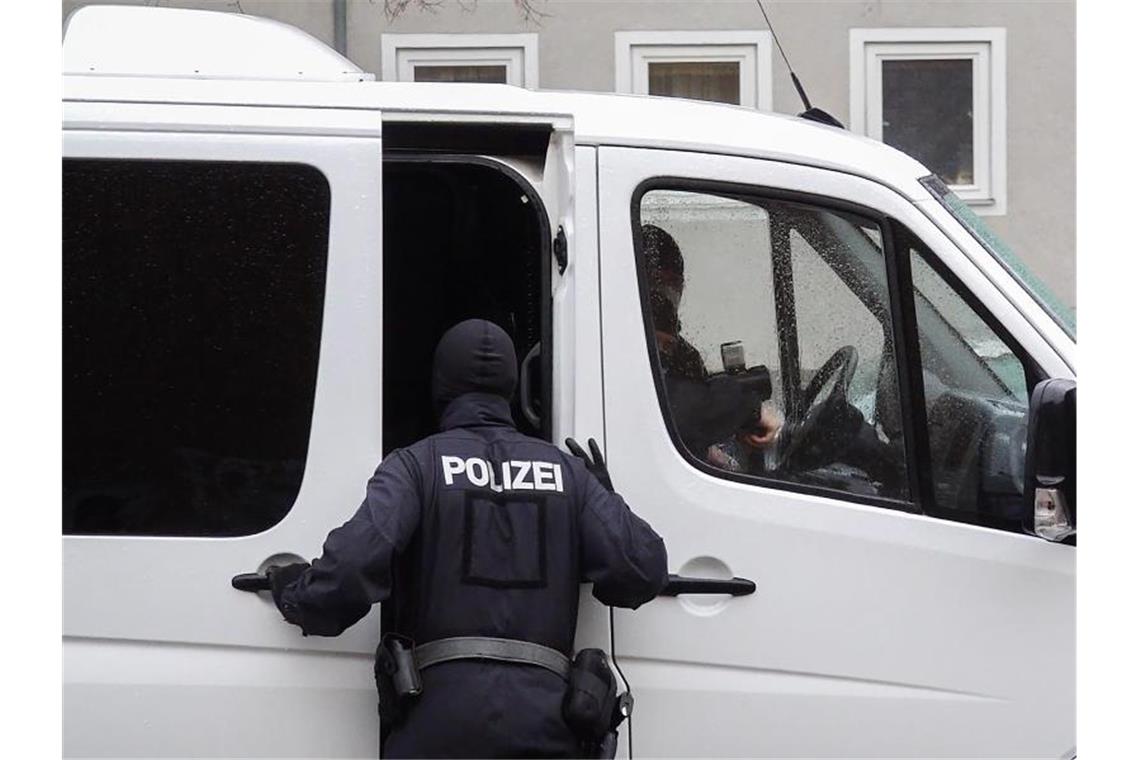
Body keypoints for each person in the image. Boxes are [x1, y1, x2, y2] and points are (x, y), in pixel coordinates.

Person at [266, 318, 668, 758]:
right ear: (513, 388)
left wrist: (295, 593)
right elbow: (642, 571)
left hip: (436, 730)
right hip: (547, 730)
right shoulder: (569, 475)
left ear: (440, 386)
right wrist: (605, 495)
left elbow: (350, 568)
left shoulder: (415, 466)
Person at [642, 224, 781, 471]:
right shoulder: (622, 344)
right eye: (657, 284)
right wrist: (750, 410)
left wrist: (726, 430)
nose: (666, 296)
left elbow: (693, 419)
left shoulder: (683, 354)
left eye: (673, 285)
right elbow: (674, 407)